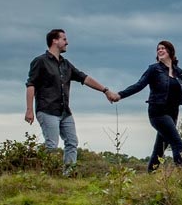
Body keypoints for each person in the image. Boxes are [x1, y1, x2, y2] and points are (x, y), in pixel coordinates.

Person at [24, 28, 114, 173]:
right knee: (51, 145)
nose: (67, 42)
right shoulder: (40, 61)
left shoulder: (66, 64)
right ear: (55, 40)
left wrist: (105, 90)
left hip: (65, 111)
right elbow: (31, 85)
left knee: (72, 143)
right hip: (47, 109)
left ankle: (68, 174)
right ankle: (49, 175)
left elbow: (85, 78)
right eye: (64, 39)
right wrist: (29, 110)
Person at [111, 40, 182, 171]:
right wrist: (120, 95)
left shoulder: (180, 72)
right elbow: (139, 85)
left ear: (170, 52)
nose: (160, 50)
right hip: (158, 112)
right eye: (158, 49)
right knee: (177, 143)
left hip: (173, 113)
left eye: (163, 48)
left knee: (159, 149)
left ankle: (150, 174)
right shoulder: (154, 69)